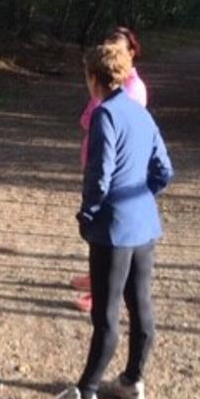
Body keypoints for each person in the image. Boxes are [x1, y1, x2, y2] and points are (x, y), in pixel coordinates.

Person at [40, 43, 174, 399]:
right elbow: (164, 169)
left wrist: (89, 212)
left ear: (93, 77)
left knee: (107, 314)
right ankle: (132, 381)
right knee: (141, 304)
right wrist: (142, 197)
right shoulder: (141, 114)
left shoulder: (105, 115)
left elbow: (100, 173)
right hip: (144, 224)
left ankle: (86, 395)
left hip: (113, 229)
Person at [71, 27, 149, 312]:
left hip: (115, 175)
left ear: (130, 54)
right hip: (94, 164)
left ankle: (102, 293)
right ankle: (94, 277)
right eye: (106, 49)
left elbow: (123, 135)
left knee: (108, 233)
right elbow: (86, 121)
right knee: (97, 231)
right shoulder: (104, 88)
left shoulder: (133, 90)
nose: (109, 54)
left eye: (115, 50)